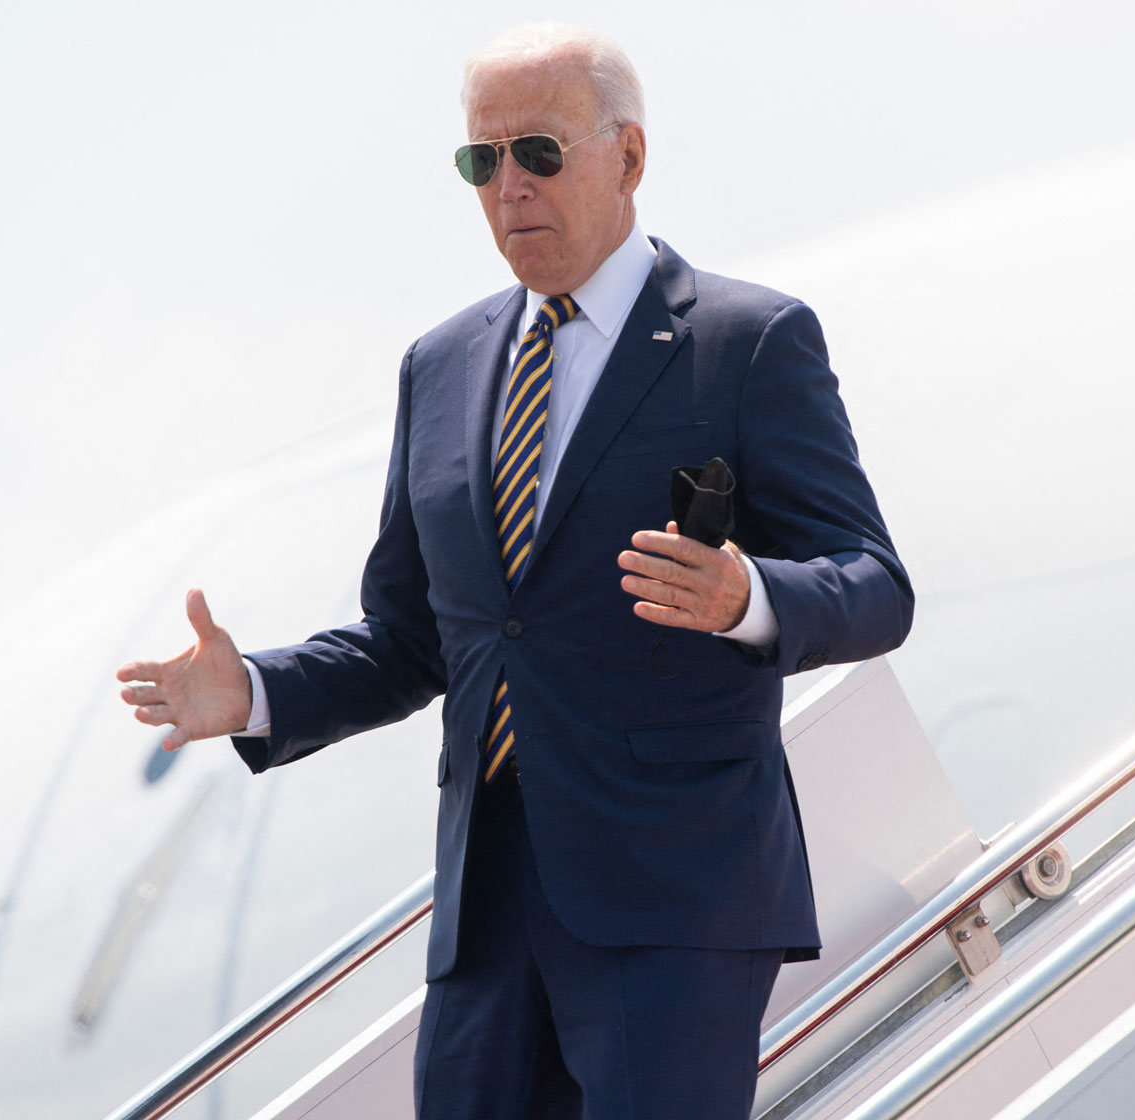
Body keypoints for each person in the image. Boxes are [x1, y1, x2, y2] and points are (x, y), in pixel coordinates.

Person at [118, 23, 913, 1120]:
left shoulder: (748, 340)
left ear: (628, 156)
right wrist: (254, 690)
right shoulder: (439, 367)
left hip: (673, 899)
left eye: (538, 152)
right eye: (480, 160)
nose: (509, 187)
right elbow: (413, 638)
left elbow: (874, 582)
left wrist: (749, 599)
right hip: (486, 912)